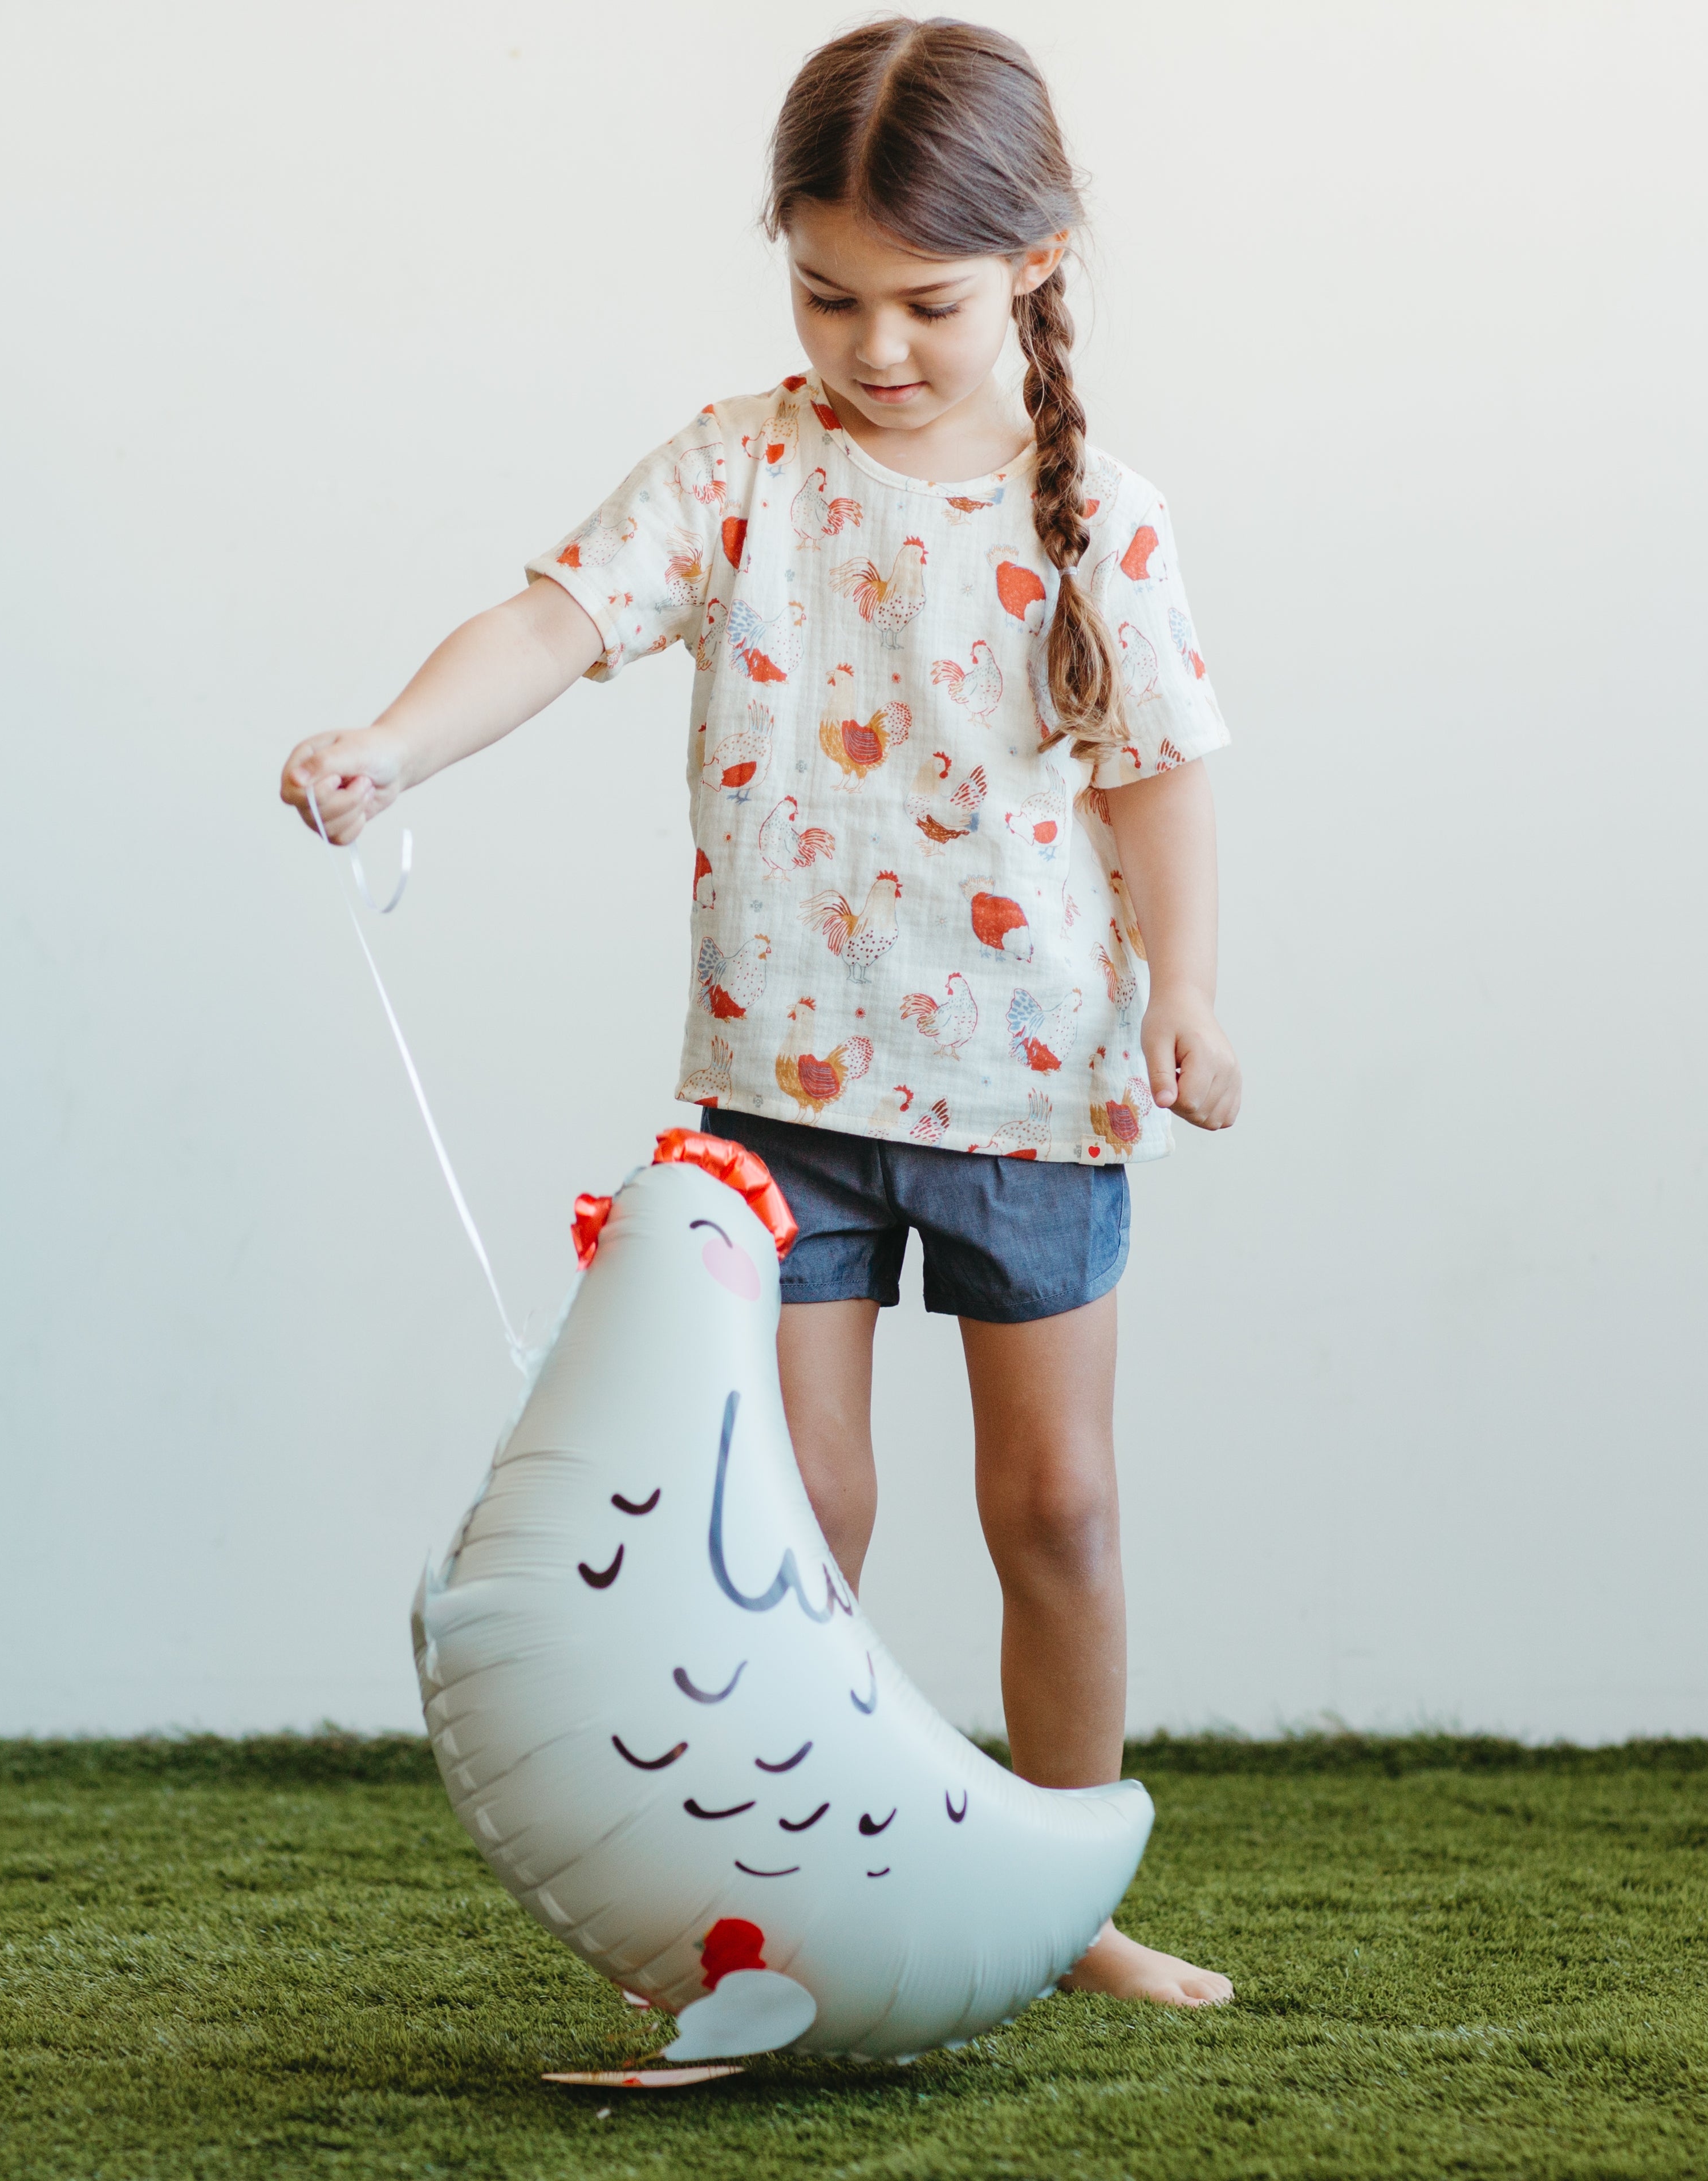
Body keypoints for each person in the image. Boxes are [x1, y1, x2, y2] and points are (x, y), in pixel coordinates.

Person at [278, 17, 1240, 2009]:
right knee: (791, 1513)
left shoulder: (1098, 519)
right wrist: (392, 739)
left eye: (925, 303)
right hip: (779, 1095)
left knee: (1054, 1504)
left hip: (1030, 1091)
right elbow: (555, 615)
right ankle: (799, 1877)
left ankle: (1064, 1894)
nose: (873, 346)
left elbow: (1162, 774)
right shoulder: (738, 470)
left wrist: (1190, 994)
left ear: (1034, 267)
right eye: (826, 294)